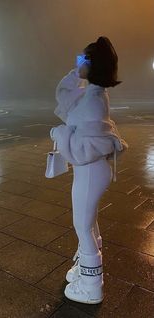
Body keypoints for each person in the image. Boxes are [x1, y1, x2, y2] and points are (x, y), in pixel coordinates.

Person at [50, 36, 128, 304]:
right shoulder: (93, 93)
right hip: (91, 171)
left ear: (93, 65)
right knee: (88, 222)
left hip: (91, 170)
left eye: (82, 59)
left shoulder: (93, 100)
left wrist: (61, 135)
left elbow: (85, 147)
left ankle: (92, 285)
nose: (77, 62)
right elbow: (64, 95)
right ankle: (84, 271)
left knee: (82, 225)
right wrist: (78, 71)